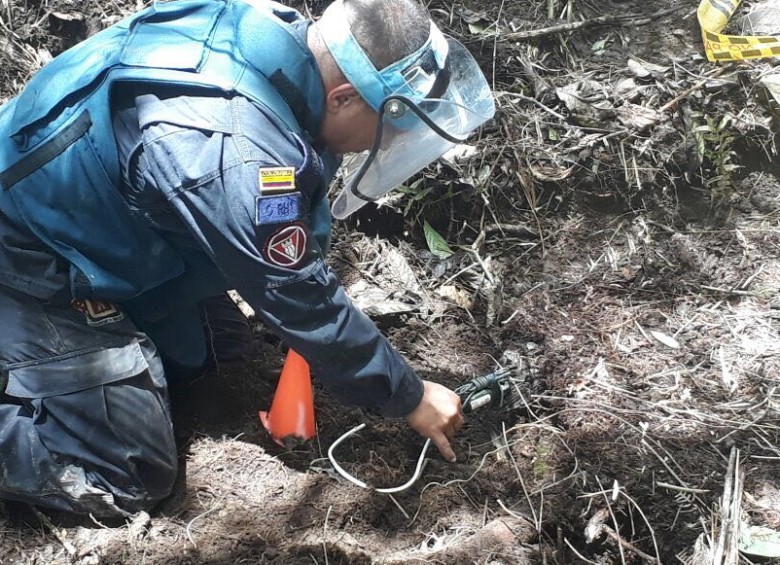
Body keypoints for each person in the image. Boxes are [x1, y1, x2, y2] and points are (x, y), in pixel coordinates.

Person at [0, 0, 495, 517]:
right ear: (345, 97)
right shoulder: (232, 150)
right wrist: (410, 395)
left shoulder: (278, 47)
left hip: (98, 224)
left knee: (218, 360)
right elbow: (294, 292)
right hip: (32, 258)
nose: (385, 142)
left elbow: (293, 214)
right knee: (129, 475)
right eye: (387, 127)